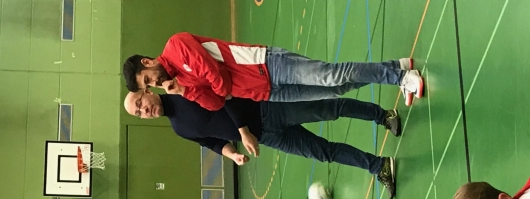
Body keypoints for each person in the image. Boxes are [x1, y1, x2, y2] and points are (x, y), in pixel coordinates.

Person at [124, 90, 399, 196]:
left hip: (268, 109)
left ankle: (383, 116)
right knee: (324, 152)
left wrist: (242, 131)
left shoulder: (182, 90)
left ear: (147, 91)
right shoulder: (178, 128)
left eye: (140, 103)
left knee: (330, 108)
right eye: (138, 113)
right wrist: (232, 154)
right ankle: (379, 166)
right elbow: (211, 142)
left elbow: (223, 95)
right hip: (266, 137)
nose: (144, 110)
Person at [123, 33, 424, 109]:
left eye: (148, 79)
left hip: (266, 64)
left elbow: (218, 77)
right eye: (149, 86)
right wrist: (186, 90)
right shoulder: (179, 83)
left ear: (148, 62)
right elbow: (216, 103)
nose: (155, 84)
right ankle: (394, 67)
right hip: (265, 93)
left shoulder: (176, 46)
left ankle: (401, 77)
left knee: (331, 75)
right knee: (336, 89)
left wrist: (217, 88)